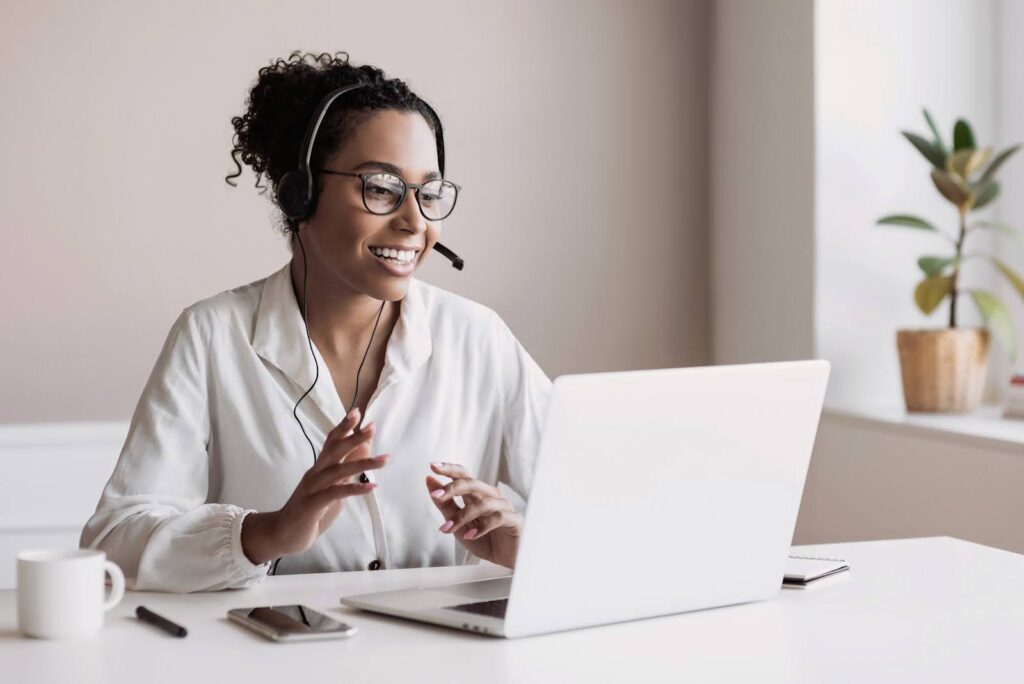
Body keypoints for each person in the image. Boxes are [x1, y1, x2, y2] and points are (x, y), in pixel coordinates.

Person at [79, 51, 551, 593]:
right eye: (381, 188)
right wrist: (266, 533)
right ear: (300, 193)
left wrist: (526, 544)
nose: (414, 223)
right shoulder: (213, 336)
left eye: (429, 193)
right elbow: (114, 543)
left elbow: (602, 512)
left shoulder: (478, 337)